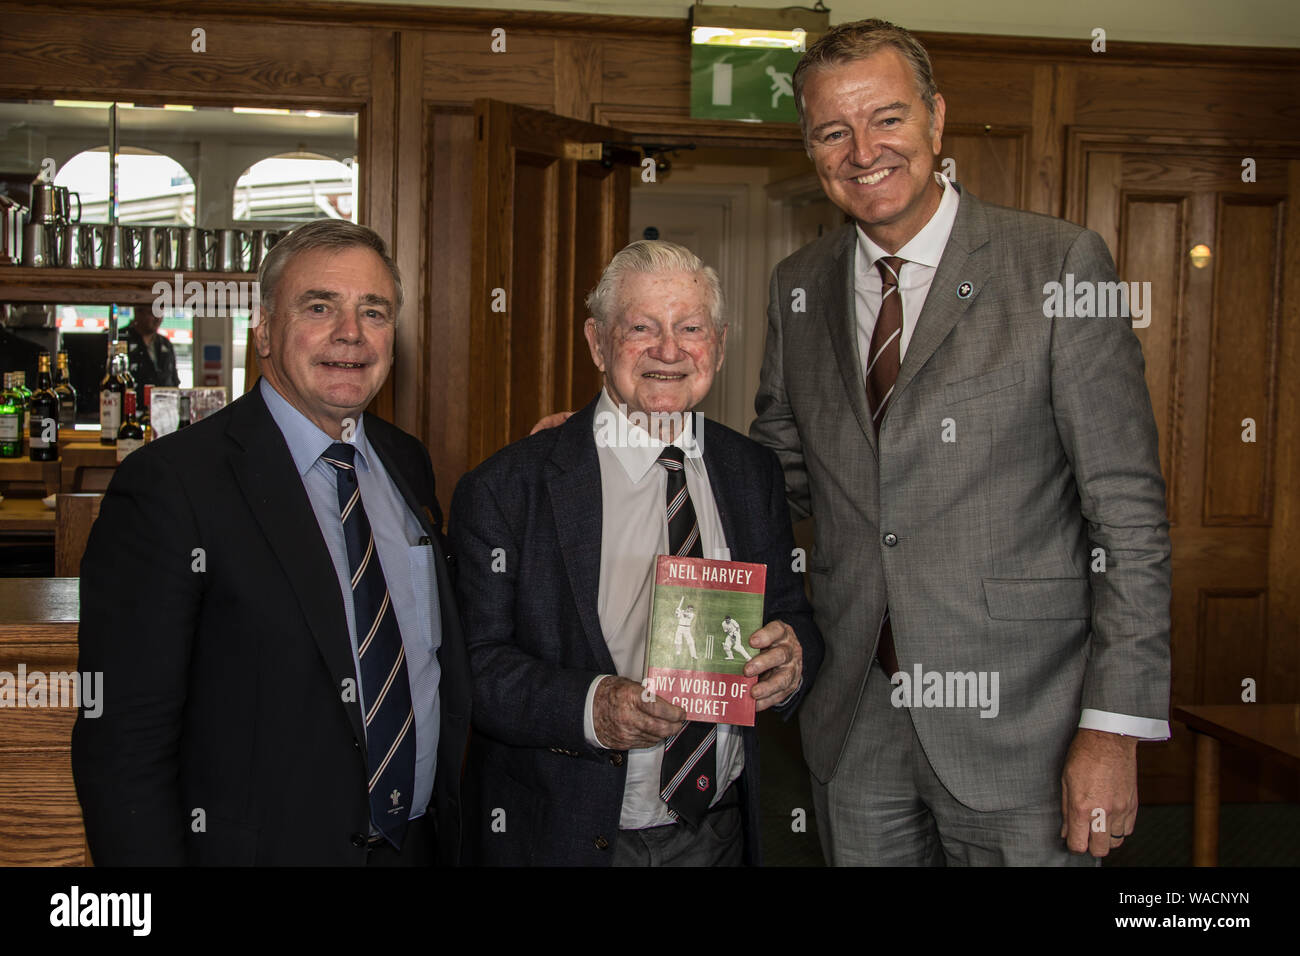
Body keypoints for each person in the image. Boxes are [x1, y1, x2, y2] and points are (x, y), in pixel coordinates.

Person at [749, 19, 1171, 865]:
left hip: (1029, 728)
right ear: (810, 148)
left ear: (936, 121)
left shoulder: (1059, 264)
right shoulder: (797, 285)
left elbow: (1127, 514)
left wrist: (1112, 730)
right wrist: (634, 439)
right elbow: (774, 475)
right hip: (853, 718)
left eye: (888, 118)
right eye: (834, 130)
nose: (863, 149)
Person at [72, 219, 470, 866]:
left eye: (374, 311)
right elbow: (123, 746)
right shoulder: (172, 485)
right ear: (262, 329)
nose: (351, 332)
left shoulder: (407, 464)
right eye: (320, 307)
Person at [450, 240, 823, 866]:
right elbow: (475, 668)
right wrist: (593, 707)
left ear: (720, 345)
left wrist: (792, 661)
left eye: (690, 328)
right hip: (567, 833)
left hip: (719, 830)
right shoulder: (508, 487)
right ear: (598, 343)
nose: (669, 351)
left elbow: (791, 611)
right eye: (642, 328)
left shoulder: (751, 472)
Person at [122, 308, 180, 389]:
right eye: (152, 313)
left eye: (160, 313)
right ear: (138, 313)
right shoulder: (122, 340)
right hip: (133, 399)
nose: (158, 318)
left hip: (165, 399)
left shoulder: (166, 344)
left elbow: (174, 380)